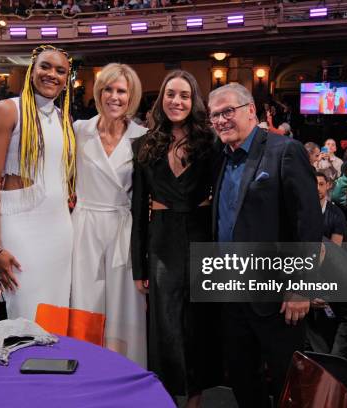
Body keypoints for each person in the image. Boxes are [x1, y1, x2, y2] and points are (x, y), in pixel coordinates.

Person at [208, 83, 322, 407]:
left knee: (290, 384)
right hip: (231, 293)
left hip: (277, 297)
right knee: (244, 380)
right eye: (214, 115)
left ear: (250, 111)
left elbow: (309, 224)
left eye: (228, 111)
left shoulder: (285, 150)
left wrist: (300, 287)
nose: (220, 120)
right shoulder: (221, 158)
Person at [131, 70, 219, 405]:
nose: (176, 101)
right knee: (164, 325)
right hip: (162, 240)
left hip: (202, 238)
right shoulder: (143, 145)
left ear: (193, 100)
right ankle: (166, 398)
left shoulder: (210, 143)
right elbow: (138, 210)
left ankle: (195, 400)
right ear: (161, 100)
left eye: (184, 95)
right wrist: (139, 267)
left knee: (198, 325)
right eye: (170, 94)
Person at [0, 45, 75, 320]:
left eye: (60, 71)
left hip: (59, 230)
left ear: (67, 79)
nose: (52, 74)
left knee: (56, 316)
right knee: (25, 316)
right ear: (32, 70)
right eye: (45, 66)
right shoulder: (8, 110)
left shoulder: (64, 118)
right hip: (20, 228)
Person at [70, 63, 147, 366]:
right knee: (85, 304)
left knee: (125, 308)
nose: (114, 97)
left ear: (131, 96)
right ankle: (84, 371)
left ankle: (125, 372)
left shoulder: (144, 136)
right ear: (98, 93)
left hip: (124, 230)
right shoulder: (79, 130)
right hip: (84, 227)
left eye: (121, 91)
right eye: (108, 89)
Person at [317, 172, 346, 245]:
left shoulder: (337, 214)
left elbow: (335, 248)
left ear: (328, 185)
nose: (317, 188)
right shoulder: (299, 210)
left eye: (321, 184)